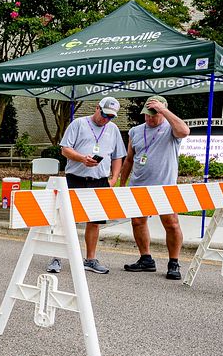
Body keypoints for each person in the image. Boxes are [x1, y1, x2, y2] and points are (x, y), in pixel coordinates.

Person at [47, 96, 126, 275]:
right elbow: (65, 149)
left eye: (111, 117)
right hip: (76, 177)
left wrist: (113, 179)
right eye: (104, 114)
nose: (106, 119)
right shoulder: (78, 124)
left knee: (95, 222)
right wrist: (82, 159)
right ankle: (56, 258)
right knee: (66, 220)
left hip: (99, 181)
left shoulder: (113, 129)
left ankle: (90, 259)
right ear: (97, 108)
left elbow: (118, 156)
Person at [118, 95, 191, 280]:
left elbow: (184, 131)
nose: (150, 118)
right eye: (147, 115)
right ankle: (146, 259)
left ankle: (173, 262)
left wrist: (163, 111)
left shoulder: (171, 129)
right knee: (138, 222)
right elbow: (129, 159)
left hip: (164, 187)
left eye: (154, 114)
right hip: (139, 185)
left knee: (171, 223)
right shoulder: (135, 131)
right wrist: (122, 183)